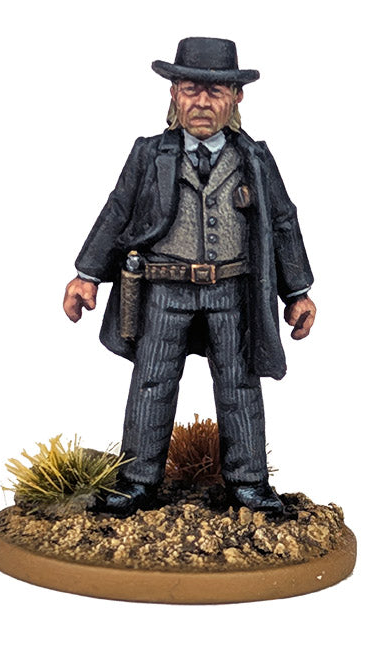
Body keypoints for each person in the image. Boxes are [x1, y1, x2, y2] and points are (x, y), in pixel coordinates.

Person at [63, 37, 316, 517]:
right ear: (174, 94)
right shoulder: (149, 154)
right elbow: (116, 211)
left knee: (239, 384)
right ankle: (138, 481)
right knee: (152, 382)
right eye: (190, 89)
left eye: (215, 91)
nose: (201, 102)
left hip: (232, 291)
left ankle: (248, 483)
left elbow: (283, 221)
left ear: (236, 97)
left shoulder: (255, 159)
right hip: (163, 289)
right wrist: (86, 275)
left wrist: (298, 291)